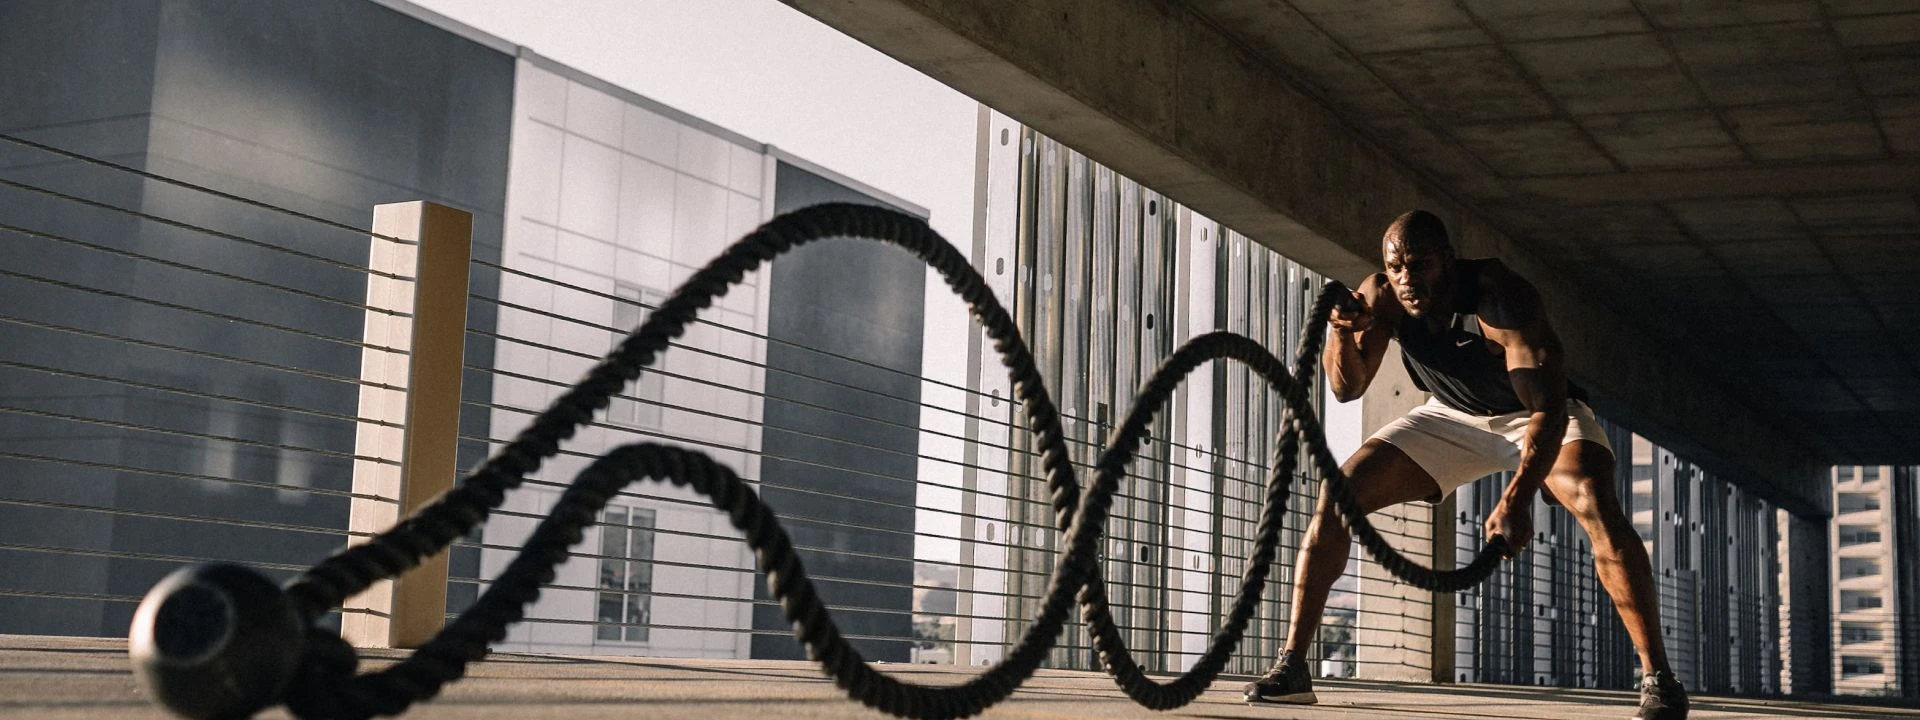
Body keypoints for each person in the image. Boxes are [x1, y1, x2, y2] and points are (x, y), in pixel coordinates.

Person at [1241, 210, 1688, 719]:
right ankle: (1294, 666)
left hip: (1534, 416)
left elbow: (1547, 411)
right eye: (1396, 267)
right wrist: (1342, 333)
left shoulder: (1501, 297)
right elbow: (1347, 389)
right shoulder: (1384, 295)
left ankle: (1659, 680)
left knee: (1593, 500)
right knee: (1338, 495)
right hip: (1450, 416)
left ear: (1448, 262)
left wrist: (1517, 499)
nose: (1407, 279)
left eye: (1420, 264)